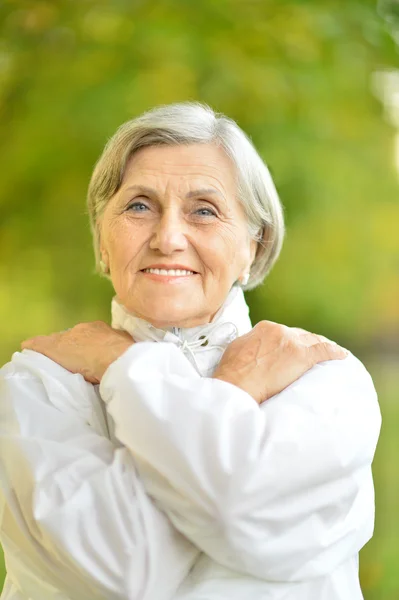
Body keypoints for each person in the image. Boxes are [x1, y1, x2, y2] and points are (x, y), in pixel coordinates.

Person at [0, 102, 381, 600]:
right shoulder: (33, 386)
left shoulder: (322, 377)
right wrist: (235, 389)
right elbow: (126, 570)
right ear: (101, 240)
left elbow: (233, 511)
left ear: (254, 246)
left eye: (204, 210)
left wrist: (123, 366)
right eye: (139, 205)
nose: (168, 238)